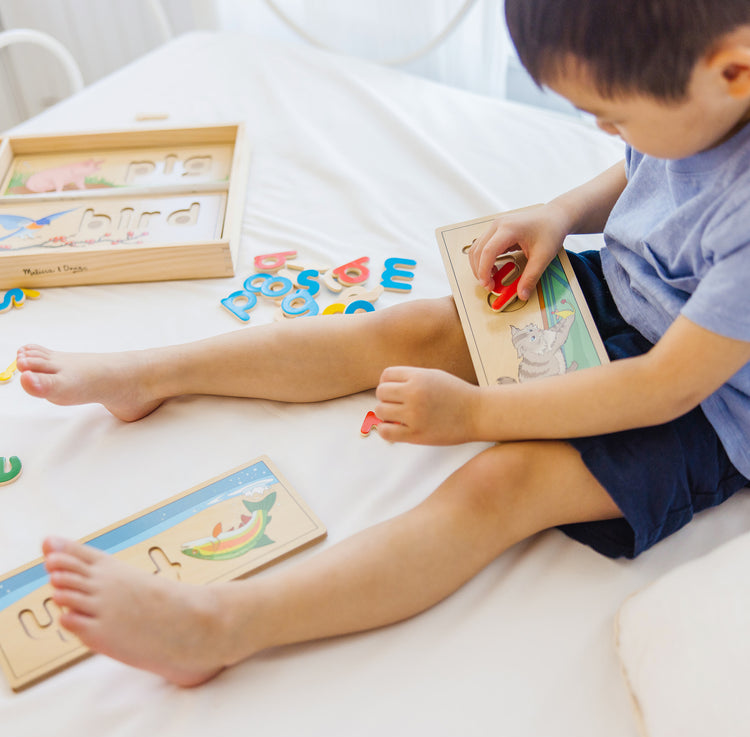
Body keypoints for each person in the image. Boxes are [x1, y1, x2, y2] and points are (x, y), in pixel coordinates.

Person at [17, 0, 750, 686]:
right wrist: (559, 212)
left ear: (732, 70)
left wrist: (473, 416)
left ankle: (220, 627)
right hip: (629, 291)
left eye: (612, 116)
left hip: (702, 404)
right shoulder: (704, 92)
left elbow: (663, 387)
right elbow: (646, 165)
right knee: (411, 329)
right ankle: (149, 376)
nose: (604, 130)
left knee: (502, 485)